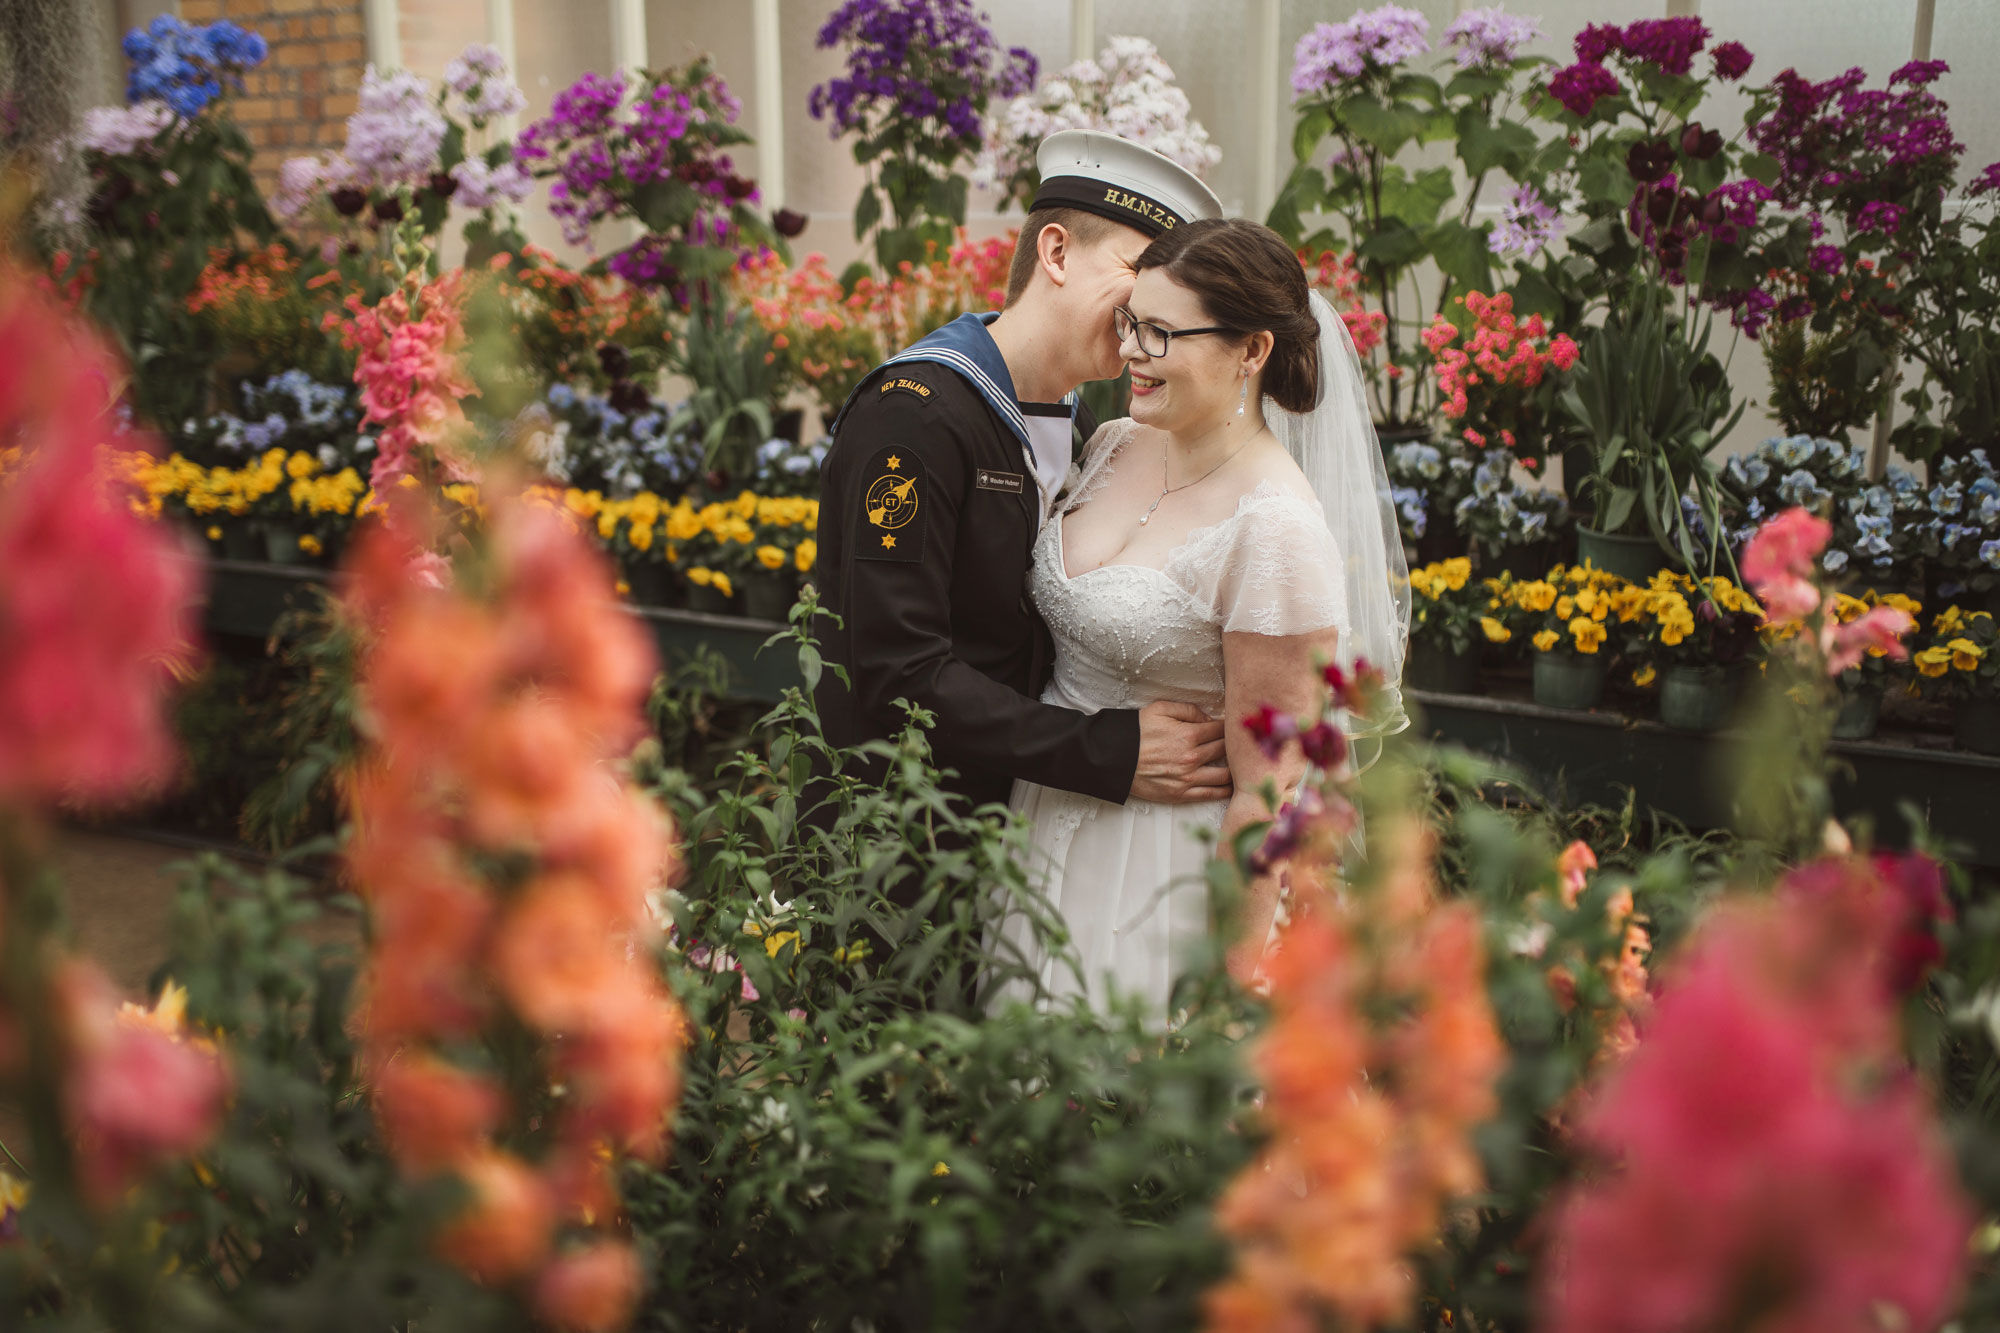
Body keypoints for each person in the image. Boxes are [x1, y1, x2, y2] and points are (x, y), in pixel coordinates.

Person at [992, 216, 1410, 1014]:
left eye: (1161, 333)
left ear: (1251, 351)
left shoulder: (1275, 528)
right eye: (1129, 323)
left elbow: (1274, 793)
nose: (1132, 354)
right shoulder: (1115, 442)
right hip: (1046, 821)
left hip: (1161, 869)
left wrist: (1232, 983)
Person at [813, 132, 1236, 831]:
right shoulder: (916, 417)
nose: (1154, 316)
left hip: (1015, 825)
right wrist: (1108, 751)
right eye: (1139, 272)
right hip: (895, 843)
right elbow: (899, 671)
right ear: (1057, 253)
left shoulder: (1082, 423)